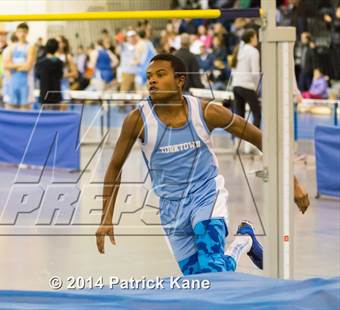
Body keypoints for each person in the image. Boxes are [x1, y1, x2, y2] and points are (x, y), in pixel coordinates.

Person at [95, 54, 310, 275]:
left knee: (211, 269)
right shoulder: (137, 120)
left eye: (160, 75)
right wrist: (106, 217)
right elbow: (114, 166)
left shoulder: (207, 112)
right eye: (149, 76)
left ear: (180, 81)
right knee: (199, 279)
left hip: (206, 195)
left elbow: (260, 138)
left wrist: (291, 182)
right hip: (170, 207)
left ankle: (239, 243)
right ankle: (243, 242)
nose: (152, 81)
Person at [231, 29, 261, 128]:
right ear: (252, 38)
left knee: (240, 116)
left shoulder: (239, 50)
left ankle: (237, 140)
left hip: (236, 86)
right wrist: (256, 88)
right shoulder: (253, 51)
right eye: (256, 37)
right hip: (247, 85)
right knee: (257, 113)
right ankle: (255, 139)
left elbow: (233, 69)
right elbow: (255, 73)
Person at [3, 23, 36, 110]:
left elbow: (27, 67)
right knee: (12, 108)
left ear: (27, 33)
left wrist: (13, 66)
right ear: (16, 33)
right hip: (13, 82)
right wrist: (22, 65)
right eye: (20, 31)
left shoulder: (30, 47)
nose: (22, 34)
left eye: (24, 32)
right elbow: (6, 65)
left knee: (24, 110)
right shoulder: (12, 47)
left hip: (26, 83)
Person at [35, 38, 64, 107]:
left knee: (44, 115)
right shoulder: (60, 63)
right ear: (57, 48)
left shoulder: (40, 63)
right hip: (56, 94)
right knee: (56, 115)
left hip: (44, 94)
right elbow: (60, 76)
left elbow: (38, 76)